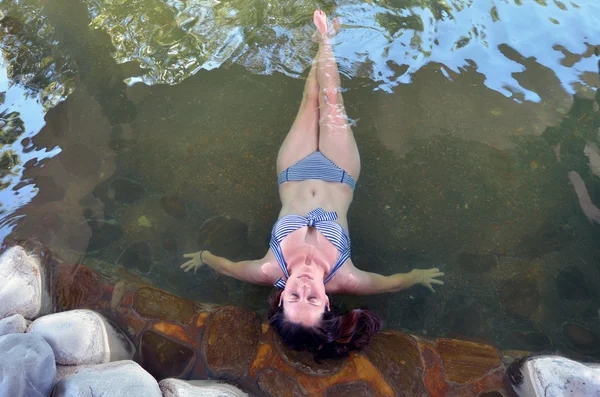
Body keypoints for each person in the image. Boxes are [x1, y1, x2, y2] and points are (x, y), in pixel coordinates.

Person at [181, 10, 444, 359]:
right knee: (332, 101)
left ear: (280, 298)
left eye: (293, 297)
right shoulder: (346, 279)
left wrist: (201, 256)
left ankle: (322, 44)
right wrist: (419, 275)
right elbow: (391, 282)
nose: (304, 288)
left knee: (309, 102)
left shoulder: (268, 270)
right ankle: (326, 40)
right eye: (313, 299)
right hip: (340, 171)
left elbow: (227, 266)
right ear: (328, 301)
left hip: (293, 170)